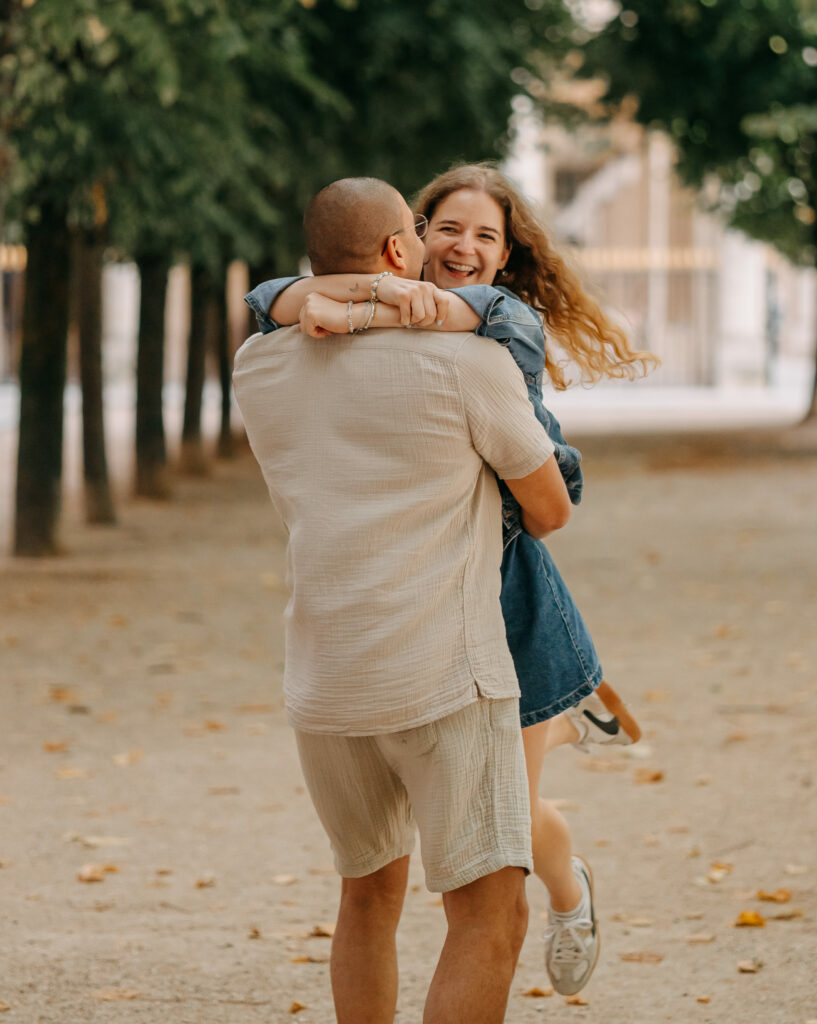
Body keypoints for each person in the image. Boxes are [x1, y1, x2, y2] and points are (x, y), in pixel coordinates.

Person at [245, 163, 657, 997]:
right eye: (446, 230)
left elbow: (280, 300)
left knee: (369, 892)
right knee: (489, 909)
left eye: (486, 237)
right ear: (409, 244)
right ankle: (563, 884)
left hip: (340, 666)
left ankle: (570, 890)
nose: (463, 247)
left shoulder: (259, 366)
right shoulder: (470, 367)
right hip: (446, 665)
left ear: (505, 257)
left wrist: (312, 302)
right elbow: (549, 509)